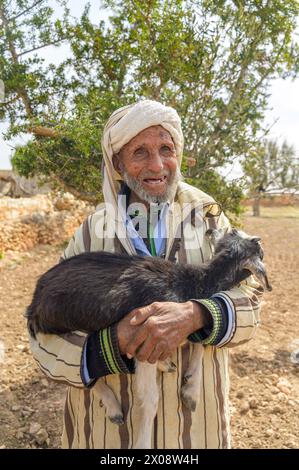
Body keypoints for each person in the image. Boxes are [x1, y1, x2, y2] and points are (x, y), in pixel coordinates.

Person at [28, 100, 264, 449]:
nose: (157, 165)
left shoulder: (209, 217)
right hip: (107, 438)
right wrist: (111, 344)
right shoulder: (92, 232)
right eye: (140, 152)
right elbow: (42, 340)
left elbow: (252, 299)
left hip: (195, 436)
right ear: (118, 164)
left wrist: (198, 314)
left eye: (166, 148)